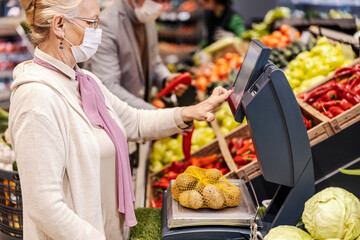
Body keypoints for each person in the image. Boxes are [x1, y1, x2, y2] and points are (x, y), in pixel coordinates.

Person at [10, 0, 232, 239]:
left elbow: (132, 121)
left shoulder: (84, 80)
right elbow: (45, 206)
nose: (98, 31)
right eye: (92, 22)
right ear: (60, 25)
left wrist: (189, 112)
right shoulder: (36, 98)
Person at [86, 0, 185, 110]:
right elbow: (108, 86)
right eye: (155, 0)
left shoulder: (146, 17)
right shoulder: (106, 24)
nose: (158, 6)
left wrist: (165, 79)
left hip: (141, 112)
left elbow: (154, 61)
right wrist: (155, 114)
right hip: (117, 116)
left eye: (162, 1)